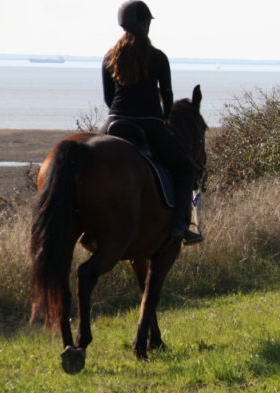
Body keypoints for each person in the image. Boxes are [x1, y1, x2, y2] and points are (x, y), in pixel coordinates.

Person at [101, 0, 203, 244]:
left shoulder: (109, 58)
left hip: (114, 122)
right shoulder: (157, 57)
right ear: (145, 24)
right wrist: (165, 119)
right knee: (185, 168)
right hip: (148, 124)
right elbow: (167, 96)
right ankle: (180, 225)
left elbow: (108, 97)